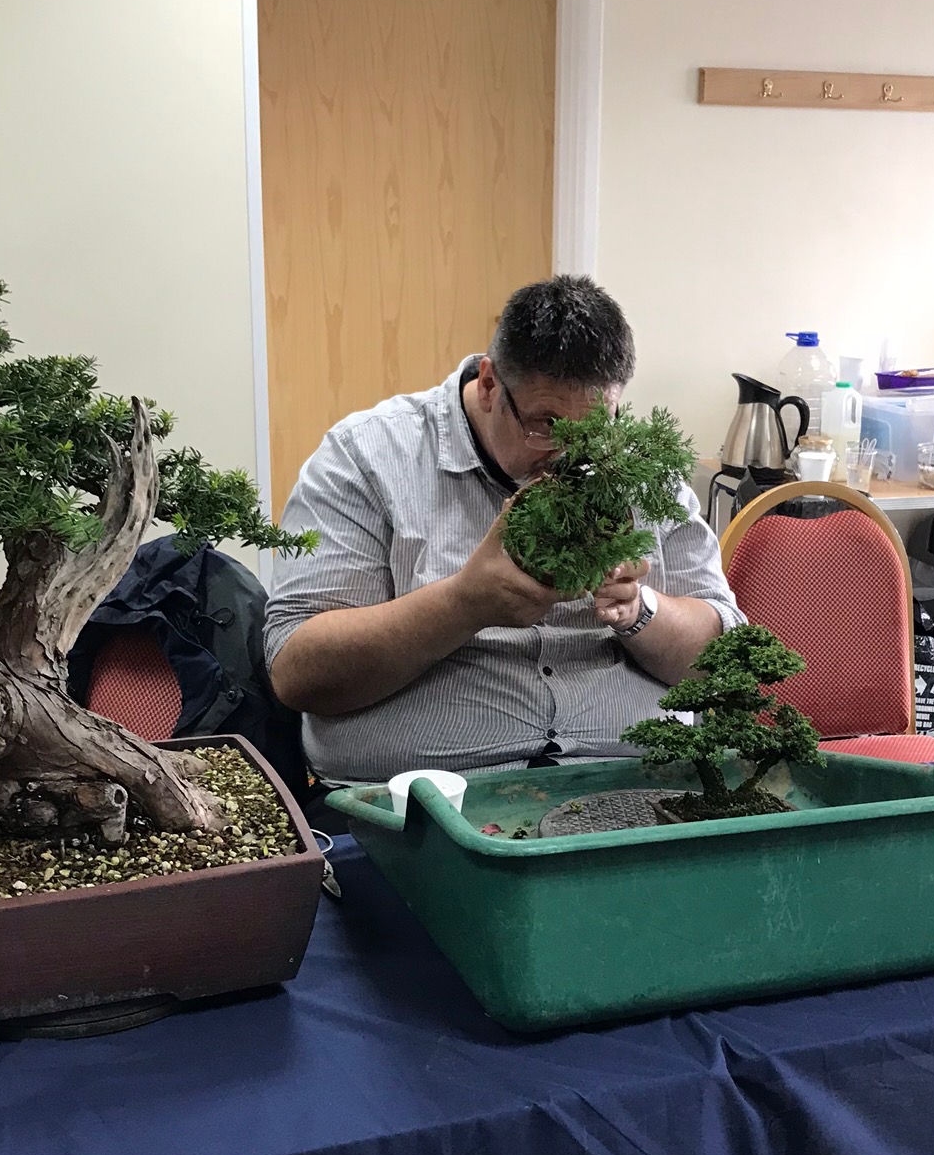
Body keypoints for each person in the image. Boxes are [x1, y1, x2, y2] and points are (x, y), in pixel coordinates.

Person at [265, 274, 742, 781]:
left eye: (595, 427)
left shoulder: (638, 469)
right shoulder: (365, 456)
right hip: (432, 794)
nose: (571, 453)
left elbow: (723, 662)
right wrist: (463, 604)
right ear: (491, 384)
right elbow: (297, 672)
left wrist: (638, 610)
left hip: (634, 779)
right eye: (546, 425)